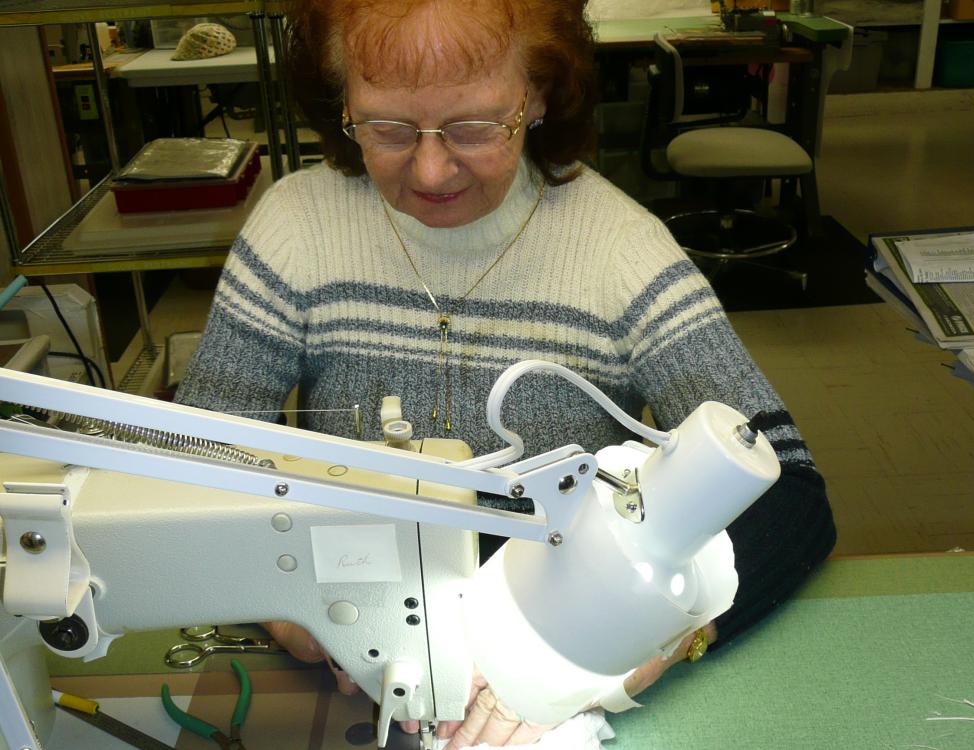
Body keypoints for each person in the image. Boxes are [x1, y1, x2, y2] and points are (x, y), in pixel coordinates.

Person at [176, 0, 836, 746]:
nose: (430, 168)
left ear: (542, 94)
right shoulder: (297, 230)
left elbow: (791, 494)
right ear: (341, 103)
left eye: (475, 127)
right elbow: (193, 465)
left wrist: (665, 642)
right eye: (388, 129)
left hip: (543, 669)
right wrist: (283, 605)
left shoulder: (619, 251)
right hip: (346, 664)